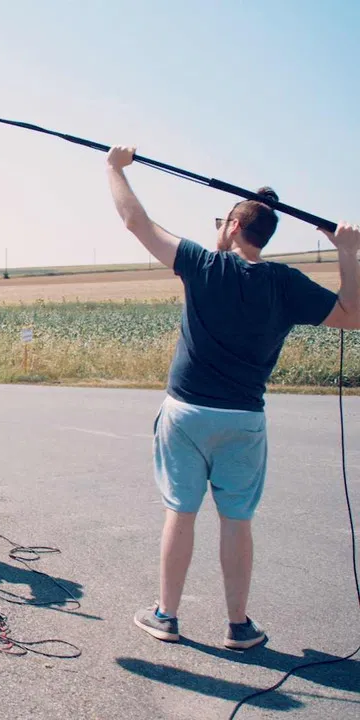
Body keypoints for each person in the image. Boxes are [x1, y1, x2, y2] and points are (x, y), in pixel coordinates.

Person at [105, 145, 360, 649]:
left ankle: (166, 616)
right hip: (243, 419)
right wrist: (348, 252)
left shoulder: (201, 264)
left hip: (185, 414)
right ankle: (238, 626)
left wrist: (114, 168)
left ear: (235, 225)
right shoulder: (285, 284)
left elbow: (135, 221)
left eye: (222, 221)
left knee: (181, 512)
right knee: (236, 520)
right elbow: (353, 315)